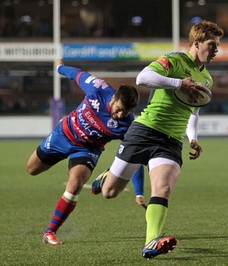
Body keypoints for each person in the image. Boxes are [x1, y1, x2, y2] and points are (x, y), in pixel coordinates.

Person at [91, 20, 224, 259]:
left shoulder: (207, 80)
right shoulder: (174, 60)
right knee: (110, 192)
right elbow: (143, 77)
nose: (216, 51)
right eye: (212, 45)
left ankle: (151, 241)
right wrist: (178, 82)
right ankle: (108, 175)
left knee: (163, 187)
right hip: (145, 131)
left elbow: (193, 111)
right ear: (196, 43)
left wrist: (192, 138)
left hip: (171, 141)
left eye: (217, 46)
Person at [26, 58, 144, 245]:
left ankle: (50, 232)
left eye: (126, 112)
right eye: (120, 110)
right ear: (113, 98)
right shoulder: (98, 88)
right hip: (63, 135)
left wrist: (139, 192)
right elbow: (77, 75)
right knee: (31, 169)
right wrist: (60, 67)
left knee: (75, 186)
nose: (121, 115)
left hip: (87, 149)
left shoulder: (127, 124)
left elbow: (134, 157)